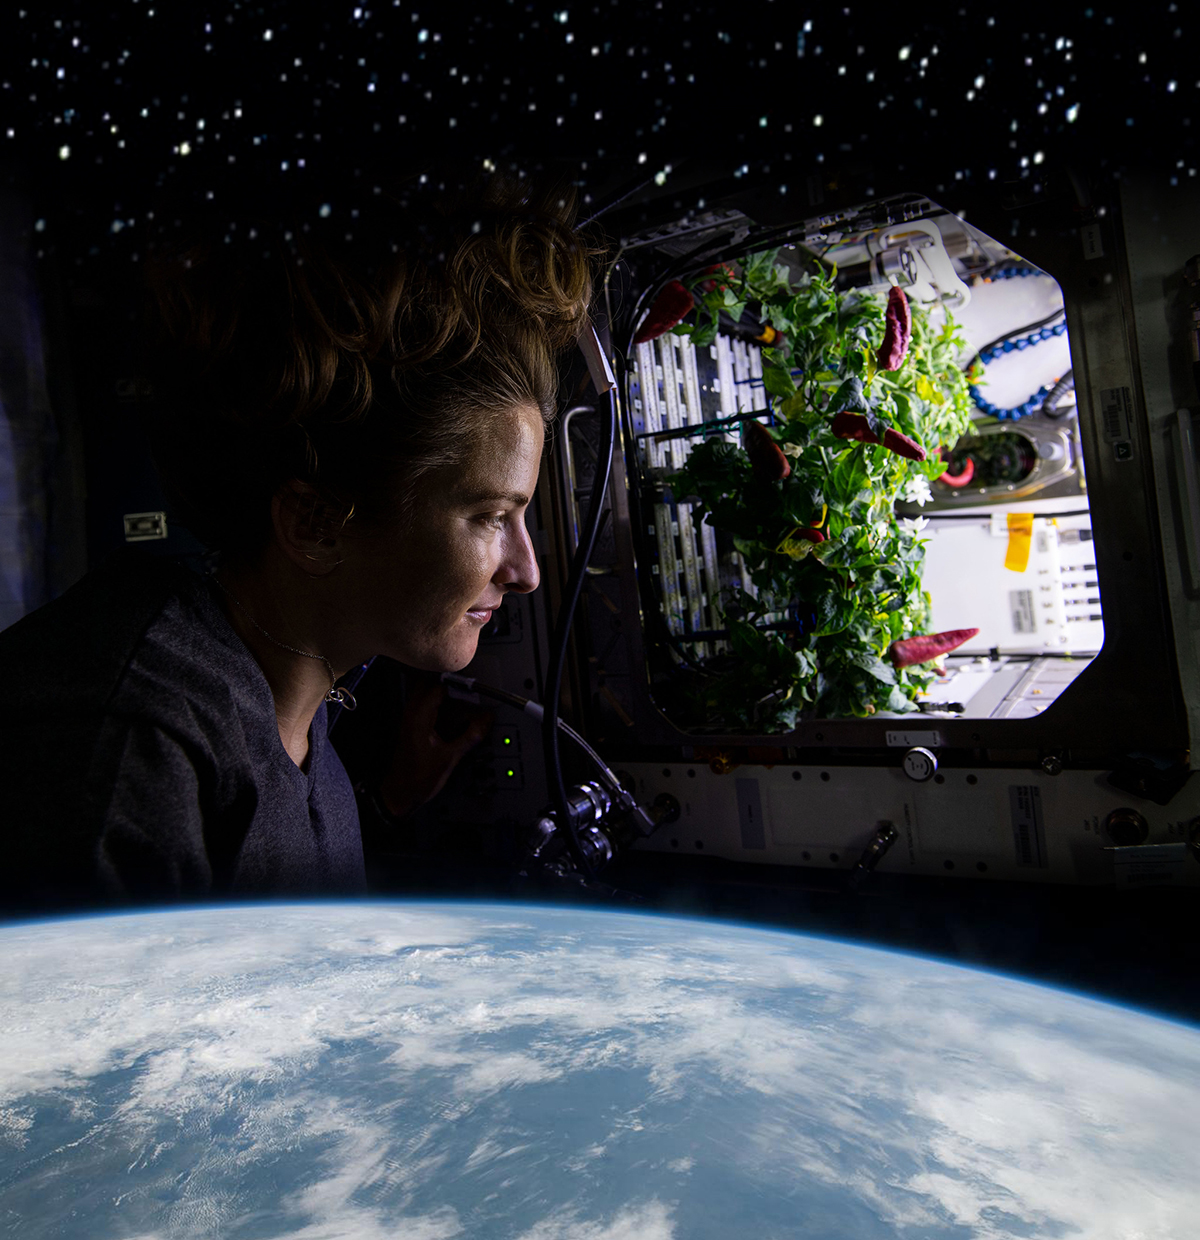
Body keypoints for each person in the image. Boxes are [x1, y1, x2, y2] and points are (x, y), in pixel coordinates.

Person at [0, 164, 596, 912]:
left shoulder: (302, 730)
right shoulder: (128, 751)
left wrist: (389, 804)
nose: (527, 571)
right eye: (489, 516)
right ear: (314, 525)